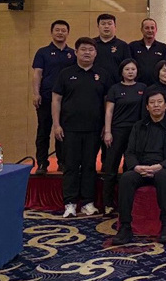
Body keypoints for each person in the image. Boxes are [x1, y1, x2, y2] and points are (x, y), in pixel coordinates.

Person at [113, 91, 166, 245]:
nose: (156, 105)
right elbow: (129, 152)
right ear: (147, 107)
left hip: (163, 168)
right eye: (152, 102)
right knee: (126, 178)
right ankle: (125, 226)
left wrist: (160, 166)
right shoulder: (138, 126)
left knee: (163, 176)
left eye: (159, 102)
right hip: (142, 168)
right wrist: (136, 167)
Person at [52, 37, 109, 218]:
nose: (87, 53)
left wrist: (105, 126)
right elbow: (56, 100)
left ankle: (87, 202)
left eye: (90, 50)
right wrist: (56, 124)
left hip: (94, 129)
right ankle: (69, 203)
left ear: (96, 53)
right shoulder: (65, 74)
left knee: (89, 166)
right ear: (76, 52)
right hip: (69, 128)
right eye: (83, 49)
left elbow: (107, 102)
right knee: (70, 166)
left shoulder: (102, 74)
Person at [102, 59, 146, 216]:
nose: (130, 72)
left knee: (130, 169)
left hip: (136, 133)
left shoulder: (142, 88)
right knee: (111, 168)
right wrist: (107, 131)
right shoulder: (115, 89)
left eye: (133, 69)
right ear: (121, 71)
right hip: (117, 131)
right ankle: (107, 204)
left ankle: (127, 203)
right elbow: (109, 111)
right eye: (127, 69)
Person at [32, 19, 75, 174]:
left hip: (66, 99)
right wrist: (36, 93)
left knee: (63, 131)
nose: (60, 33)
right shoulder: (42, 52)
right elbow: (37, 74)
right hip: (46, 97)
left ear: (68, 33)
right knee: (43, 131)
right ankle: (42, 163)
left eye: (63, 30)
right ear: (52, 32)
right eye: (57, 30)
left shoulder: (72, 54)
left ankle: (62, 162)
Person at [92, 13, 131, 87]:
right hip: (94, 84)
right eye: (103, 24)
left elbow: (128, 67)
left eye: (110, 24)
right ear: (98, 26)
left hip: (116, 86)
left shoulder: (122, 45)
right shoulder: (91, 44)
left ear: (115, 26)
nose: (106, 26)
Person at [129, 18, 166, 86]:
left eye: (152, 28)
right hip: (136, 86)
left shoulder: (163, 48)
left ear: (156, 30)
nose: (150, 30)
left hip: (157, 86)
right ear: (141, 30)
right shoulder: (132, 46)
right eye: (147, 28)